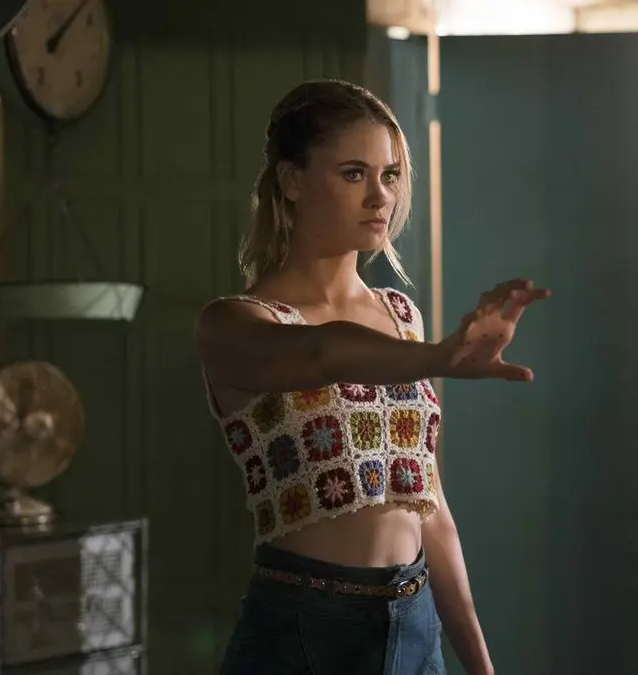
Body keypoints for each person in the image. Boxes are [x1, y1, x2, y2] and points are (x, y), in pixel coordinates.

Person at [194, 79, 550, 675]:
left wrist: (481, 667)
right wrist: (438, 359)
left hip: (415, 622)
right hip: (305, 628)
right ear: (292, 181)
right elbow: (320, 355)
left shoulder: (401, 316)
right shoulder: (234, 323)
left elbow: (429, 508)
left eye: (390, 175)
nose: (379, 196)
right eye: (353, 173)